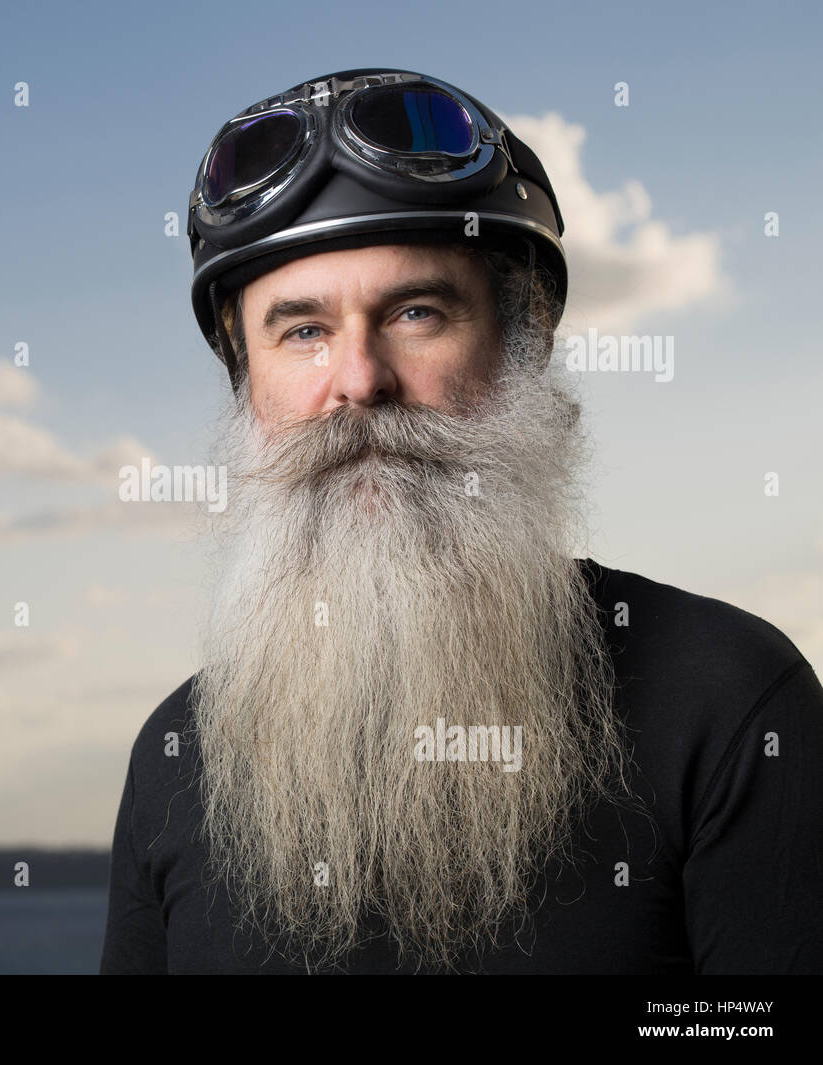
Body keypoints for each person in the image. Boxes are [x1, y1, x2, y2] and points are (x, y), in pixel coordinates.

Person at [100, 68, 823, 974]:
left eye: (416, 312)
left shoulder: (732, 702)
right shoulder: (174, 758)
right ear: (248, 386)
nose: (359, 379)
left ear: (523, 342)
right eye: (303, 332)